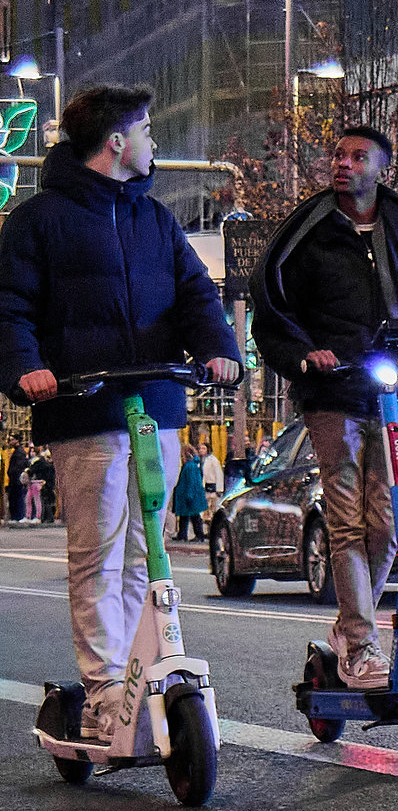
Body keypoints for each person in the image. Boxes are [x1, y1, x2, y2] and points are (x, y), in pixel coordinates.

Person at [0, 83, 241, 740]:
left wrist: (220, 348)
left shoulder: (154, 220)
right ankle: (104, 689)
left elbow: (197, 297)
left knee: (147, 552)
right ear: (116, 142)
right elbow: (10, 311)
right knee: (99, 554)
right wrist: (26, 368)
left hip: (158, 407)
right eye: (147, 130)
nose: (154, 143)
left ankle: (145, 676)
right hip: (86, 409)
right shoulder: (38, 220)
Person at [250, 125, 398, 689]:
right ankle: (362, 644)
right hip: (334, 395)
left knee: (390, 528)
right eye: (338, 155)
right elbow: (270, 307)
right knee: (345, 522)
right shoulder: (308, 233)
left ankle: (350, 624)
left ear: (380, 168)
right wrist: (303, 355)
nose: (343, 164)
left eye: (357, 157)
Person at [170, 443, 208, 541]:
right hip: (189, 494)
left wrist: (189, 495)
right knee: (186, 516)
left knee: (192, 516)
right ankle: (183, 534)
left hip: (188, 495)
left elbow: (191, 482)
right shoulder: (193, 465)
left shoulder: (189, 466)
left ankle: (198, 535)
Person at [197, 438, 224, 518]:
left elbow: (218, 474)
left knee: (213, 508)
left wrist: (219, 489)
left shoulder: (213, 460)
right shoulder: (199, 461)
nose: (201, 450)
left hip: (212, 486)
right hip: (203, 487)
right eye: (200, 448)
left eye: (203, 448)